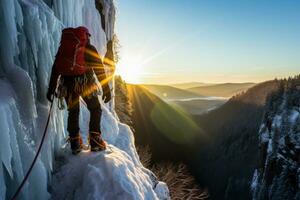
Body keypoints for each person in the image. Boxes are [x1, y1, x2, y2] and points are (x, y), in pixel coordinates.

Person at [46, 27, 111, 155]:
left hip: (67, 85)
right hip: (85, 83)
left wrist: (51, 89)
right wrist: (106, 89)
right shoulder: (89, 48)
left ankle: (75, 142)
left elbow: (56, 69)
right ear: (86, 36)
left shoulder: (63, 49)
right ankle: (95, 140)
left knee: (73, 111)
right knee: (95, 108)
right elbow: (99, 69)